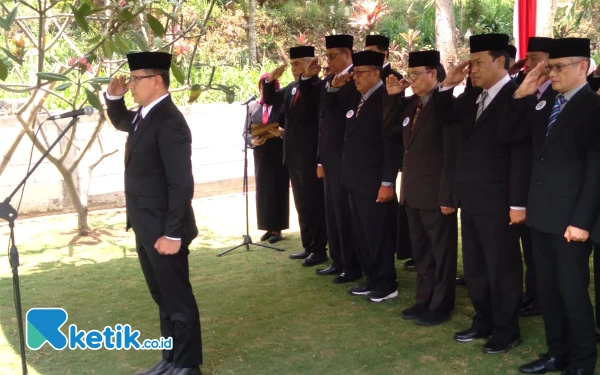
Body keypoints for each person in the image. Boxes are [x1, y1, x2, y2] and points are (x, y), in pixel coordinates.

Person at [105, 51, 202, 375]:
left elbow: (181, 183)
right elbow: (121, 121)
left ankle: (188, 365)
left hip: (164, 229)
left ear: (156, 81)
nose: (130, 85)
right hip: (147, 226)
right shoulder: (144, 115)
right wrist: (113, 98)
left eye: (135, 79)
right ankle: (171, 358)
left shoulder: (169, 121)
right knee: (163, 297)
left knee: (178, 297)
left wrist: (173, 233)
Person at [508, 37, 600, 375]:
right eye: (550, 67)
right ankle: (556, 353)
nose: (552, 72)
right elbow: (510, 134)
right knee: (547, 290)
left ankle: (582, 362)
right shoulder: (546, 103)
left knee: (573, 295)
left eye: (559, 67)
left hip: (571, 221)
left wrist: (581, 221)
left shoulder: (593, 106)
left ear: (583, 67)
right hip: (542, 215)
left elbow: (595, 171)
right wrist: (522, 92)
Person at [441, 33, 527, 354]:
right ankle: (484, 318)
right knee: (475, 265)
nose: (472, 69)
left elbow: (519, 154)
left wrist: (517, 202)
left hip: (501, 201)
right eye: (471, 62)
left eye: (478, 62)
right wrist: (448, 85)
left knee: (502, 266)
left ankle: (507, 328)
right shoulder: (474, 96)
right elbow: (444, 117)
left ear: (500, 62)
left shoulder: (517, 96)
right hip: (472, 199)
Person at [387, 50, 458, 326]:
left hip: (437, 194)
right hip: (413, 192)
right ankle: (424, 300)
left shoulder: (446, 104)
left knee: (441, 252)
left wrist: (449, 194)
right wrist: (393, 97)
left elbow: (452, 154)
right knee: (421, 252)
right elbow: (390, 129)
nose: (411, 80)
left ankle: (441, 305)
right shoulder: (410, 105)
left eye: (416, 74)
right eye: (409, 74)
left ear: (433, 74)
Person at [327, 50, 400, 302]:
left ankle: (386, 282)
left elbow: (391, 144)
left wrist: (387, 182)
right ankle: (371, 277)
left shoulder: (385, 99)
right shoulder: (357, 99)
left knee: (377, 233)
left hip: (373, 182)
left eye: (360, 73)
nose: (355, 77)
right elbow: (334, 122)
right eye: (354, 72)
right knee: (361, 233)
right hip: (353, 181)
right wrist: (334, 91)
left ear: (376, 73)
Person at [299, 35, 362, 282]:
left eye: (333, 55)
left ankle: (351, 264)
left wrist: (336, 89)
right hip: (329, 158)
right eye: (327, 56)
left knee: (345, 215)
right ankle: (337, 260)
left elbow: (345, 117)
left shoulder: (356, 78)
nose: (329, 61)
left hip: (346, 158)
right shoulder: (328, 80)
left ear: (348, 54)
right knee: (332, 214)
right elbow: (314, 107)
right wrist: (307, 76)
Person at [263, 46, 328, 267]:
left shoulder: (320, 86)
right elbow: (271, 99)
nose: (294, 68)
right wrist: (271, 79)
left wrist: (308, 78)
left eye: (298, 64)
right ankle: (308, 245)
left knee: (314, 204)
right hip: (292, 155)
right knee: (301, 204)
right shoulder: (292, 88)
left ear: (311, 64)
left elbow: (311, 101)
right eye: (292, 64)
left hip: (311, 156)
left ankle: (319, 249)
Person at [363, 34, 414, 271]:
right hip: (366, 152)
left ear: (384, 53)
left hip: (386, 149)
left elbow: (395, 123)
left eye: (373, 51)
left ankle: (391, 255)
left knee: (385, 209)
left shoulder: (394, 78)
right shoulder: (361, 75)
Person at [513, 36, 554, 319]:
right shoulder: (523, 90)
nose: (530, 64)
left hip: (549, 186)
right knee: (528, 243)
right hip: (523, 180)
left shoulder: (561, 95)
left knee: (546, 250)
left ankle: (543, 295)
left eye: (536, 58)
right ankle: (533, 292)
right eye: (527, 58)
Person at [246, 73, 289, 244]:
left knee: (277, 190)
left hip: (278, 153)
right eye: (262, 87)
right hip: (260, 153)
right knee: (263, 191)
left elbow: (287, 127)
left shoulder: (282, 106)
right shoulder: (252, 107)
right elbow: (246, 132)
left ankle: (277, 229)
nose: (265, 90)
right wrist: (252, 141)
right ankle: (267, 227)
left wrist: (281, 133)